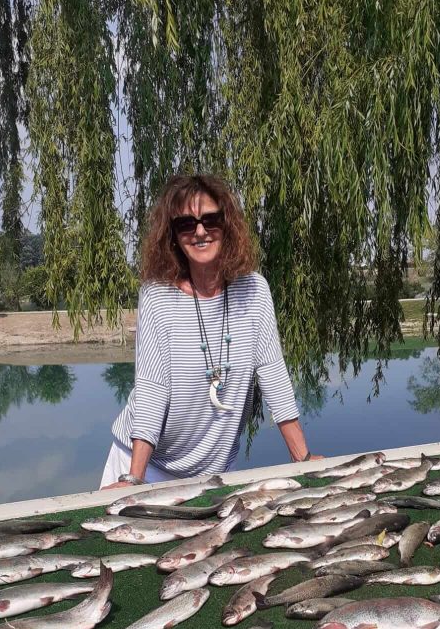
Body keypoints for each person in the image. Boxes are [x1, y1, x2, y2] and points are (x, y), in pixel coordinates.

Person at [101, 174, 322, 488]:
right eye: (186, 224)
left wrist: (302, 458)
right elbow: (152, 388)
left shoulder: (254, 291)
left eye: (211, 220)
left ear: (227, 225)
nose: (200, 232)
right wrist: (134, 478)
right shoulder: (156, 295)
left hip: (213, 473)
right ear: (173, 235)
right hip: (144, 465)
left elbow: (273, 374)